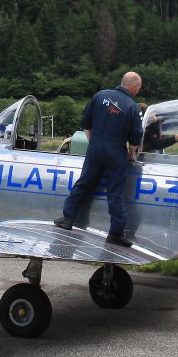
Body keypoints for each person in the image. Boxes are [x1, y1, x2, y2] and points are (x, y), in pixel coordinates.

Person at [55, 71, 143, 246]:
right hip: (116, 151)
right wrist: (130, 154)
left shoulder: (100, 95)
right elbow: (135, 137)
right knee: (115, 192)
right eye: (138, 88)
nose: (138, 91)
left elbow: (86, 123)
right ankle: (115, 233)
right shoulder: (133, 107)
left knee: (84, 183)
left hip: (95, 147)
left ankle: (67, 218)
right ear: (134, 86)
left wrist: (94, 143)